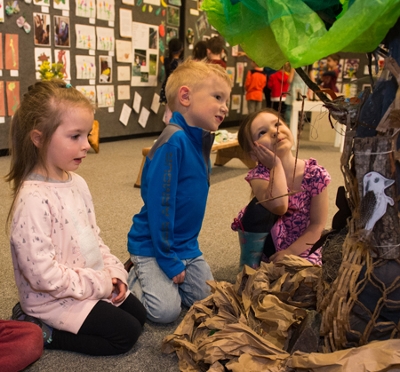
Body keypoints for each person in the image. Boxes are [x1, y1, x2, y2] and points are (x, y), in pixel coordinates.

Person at [5, 80, 146, 355]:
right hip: (52, 298)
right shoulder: (32, 199)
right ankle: (44, 331)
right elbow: (43, 277)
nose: (88, 145)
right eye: (75, 136)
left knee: (138, 315)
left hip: (88, 282)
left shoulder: (78, 183)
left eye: (88, 134)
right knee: (125, 335)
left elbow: (94, 237)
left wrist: (114, 273)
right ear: (38, 138)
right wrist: (101, 284)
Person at [127, 59, 232, 323]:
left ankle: (164, 279)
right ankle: (132, 274)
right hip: (153, 245)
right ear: (185, 96)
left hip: (186, 246)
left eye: (226, 100)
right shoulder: (173, 141)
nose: (225, 107)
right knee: (165, 312)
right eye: (218, 97)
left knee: (211, 300)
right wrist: (168, 260)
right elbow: (160, 208)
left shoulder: (198, 140)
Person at [232, 108, 331, 266]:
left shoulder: (315, 174)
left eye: (277, 124)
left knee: (303, 278)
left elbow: (317, 225)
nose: (274, 131)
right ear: (253, 154)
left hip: (302, 244)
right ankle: (248, 260)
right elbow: (279, 206)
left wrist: (290, 252)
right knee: (263, 281)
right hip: (268, 244)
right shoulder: (259, 175)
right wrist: (275, 165)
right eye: (262, 132)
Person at [159, 38, 184, 124]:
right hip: (176, 88)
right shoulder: (181, 63)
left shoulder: (167, 61)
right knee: (177, 111)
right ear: (181, 49)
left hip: (167, 87)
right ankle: (174, 129)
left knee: (168, 112)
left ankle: (169, 128)